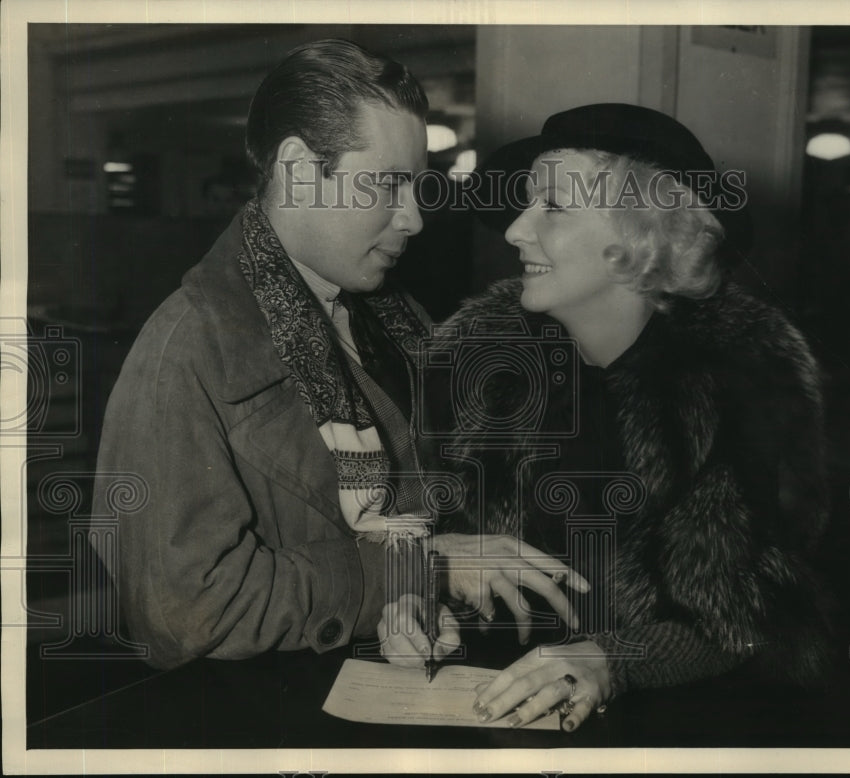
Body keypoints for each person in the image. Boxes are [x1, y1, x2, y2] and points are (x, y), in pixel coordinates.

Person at [91, 39, 585, 670]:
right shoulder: (186, 349)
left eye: (417, 188)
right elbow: (187, 612)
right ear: (298, 169)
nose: (413, 219)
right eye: (387, 185)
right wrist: (423, 567)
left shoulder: (390, 314)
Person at [382, 103, 832, 732]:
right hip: (490, 712)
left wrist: (610, 659)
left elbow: (749, 618)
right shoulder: (472, 366)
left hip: (680, 731)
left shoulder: (745, 382)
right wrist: (417, 596)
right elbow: (423, 534)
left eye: (553, 206)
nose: (515, 230)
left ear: (644, 234)